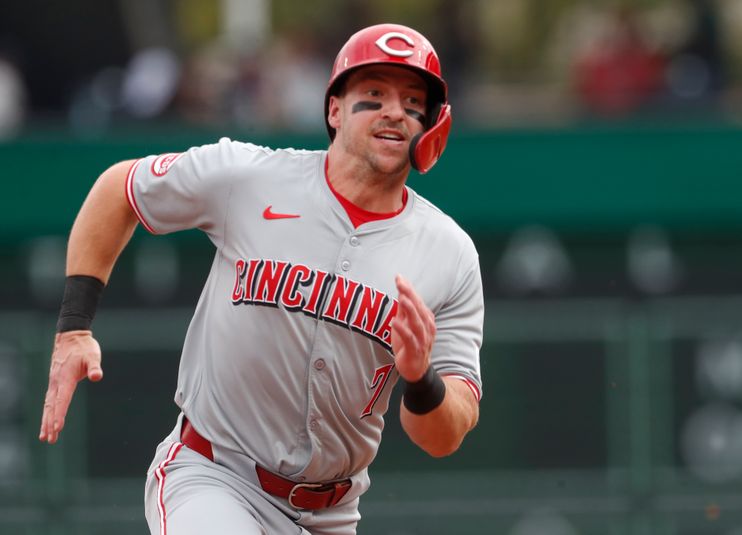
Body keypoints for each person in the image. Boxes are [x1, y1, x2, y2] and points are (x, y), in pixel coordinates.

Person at [39, 23, 483, 535]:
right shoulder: (249, 178)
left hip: (333, 514)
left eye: (412, 101)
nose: (394, 111)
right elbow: (119, 189)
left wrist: (421, 378)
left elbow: (444, 435)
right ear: (334, 109)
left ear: (432, 125)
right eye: (374, 94)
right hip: (214, 477)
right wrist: (74, 327)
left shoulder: (449, 253)